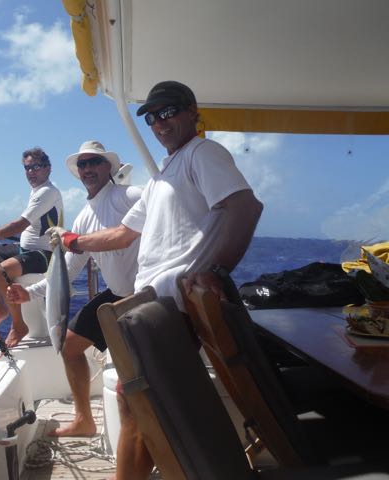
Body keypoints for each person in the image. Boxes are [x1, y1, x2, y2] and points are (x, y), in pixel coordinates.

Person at [51, 81, 263, 479]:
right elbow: (123, 235)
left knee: (139, 402)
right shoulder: (162, 174)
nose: (159, 123)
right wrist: (73, 241)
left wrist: (216, 270)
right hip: (153, 304)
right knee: (133, 400)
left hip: (173, 305)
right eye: (151, 117)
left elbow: (245, 206)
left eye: (168, 112)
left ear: (191, 111)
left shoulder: (202, 153)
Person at [8, 140, 142, 437]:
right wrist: (30, 292)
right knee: (68, 345)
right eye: (83, 164)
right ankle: (84, 421)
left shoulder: (129, 195)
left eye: (95, 162)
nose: (88, 168)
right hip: (117, 294)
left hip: (144, 293)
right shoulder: (83, 217)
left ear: (109, 167)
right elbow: (67, 270)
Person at [0, 147, 63, 348]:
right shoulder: (36, 191)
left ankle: (19, 325)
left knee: (0, 273)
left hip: (45, 254)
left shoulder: (47, 192)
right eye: (27, 168)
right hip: (25, 249)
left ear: (48, 168)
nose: (31, 171)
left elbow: (19, 225)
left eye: (36, 167)